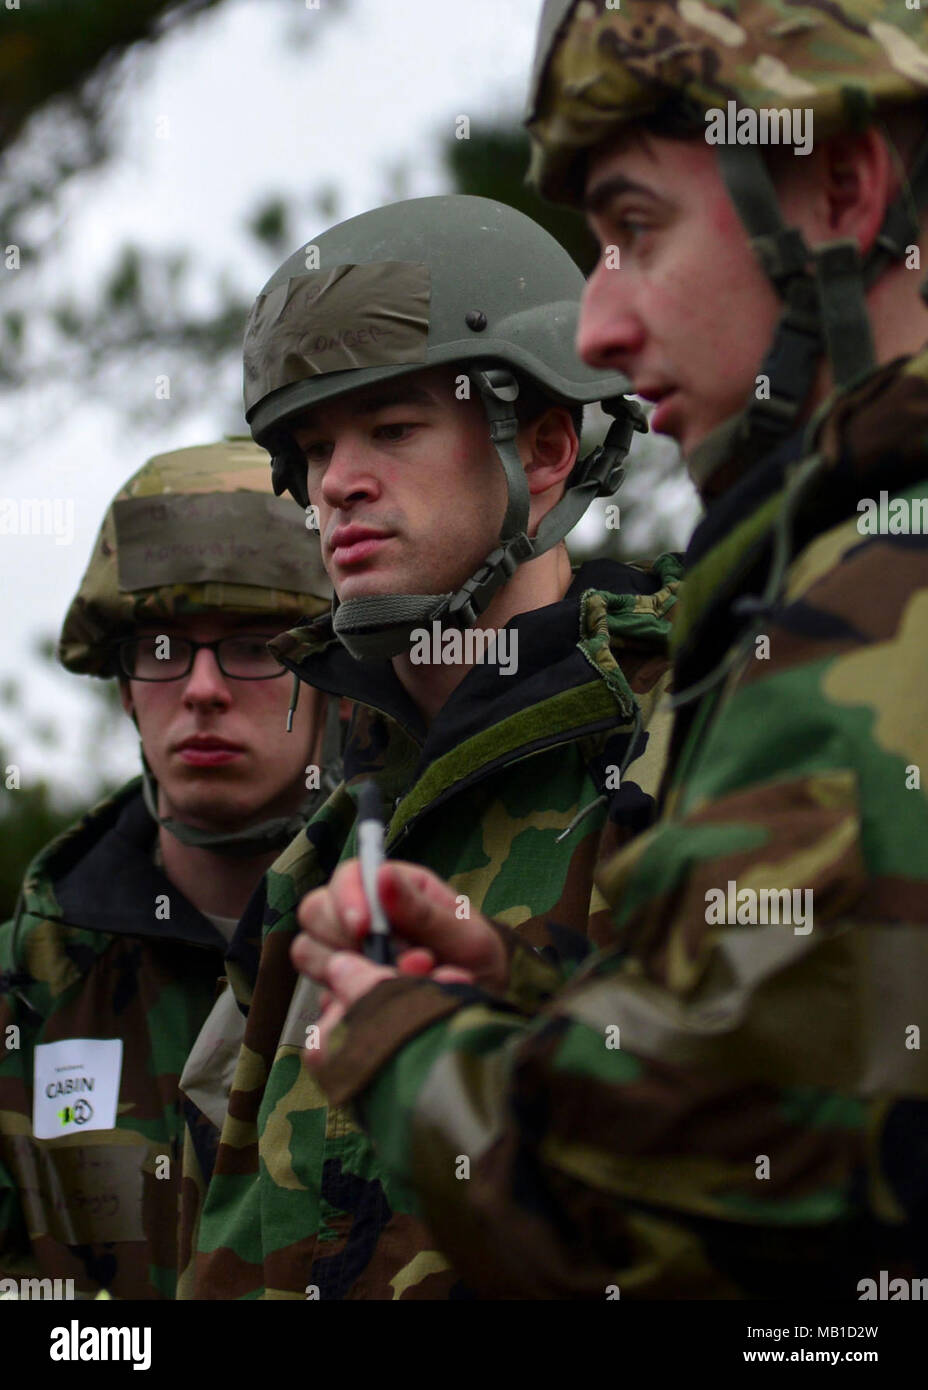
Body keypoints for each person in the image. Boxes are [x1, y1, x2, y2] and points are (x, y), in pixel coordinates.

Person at [291, 2, 928, 1298]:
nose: (599, 331)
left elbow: (682, 1218)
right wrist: (530, 982)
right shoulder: (824, 578)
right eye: (312, 454)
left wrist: (406, 1046)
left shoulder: (880, 609)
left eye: (637, 230)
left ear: (844, 191)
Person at [179, 193, 683, 1299]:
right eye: (313, 448)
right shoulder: (316, 860)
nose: (336, 483)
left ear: (545, 447)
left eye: (393, 430)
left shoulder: (682, 742)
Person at [0, 437, 334, 1299]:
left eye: (258, 645)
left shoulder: (409, 943)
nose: (203, 689)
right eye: (161, 647)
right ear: (123, 688)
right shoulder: (24, 990)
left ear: (334, 679)